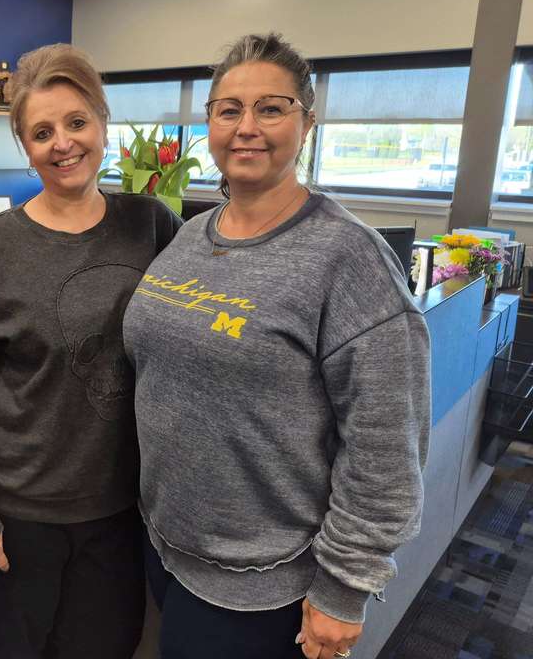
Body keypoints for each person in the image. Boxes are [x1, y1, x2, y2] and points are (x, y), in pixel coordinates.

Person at [124, 32, 431, 659]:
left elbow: (385, 446)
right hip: (167, 542)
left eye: (272, 107)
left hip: (265, 579)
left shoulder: (348, 259)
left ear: (308, 122)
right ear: (208, 122)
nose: (247, 127)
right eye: (229, 109)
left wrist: (345, 587)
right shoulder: (187, 235)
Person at [0, 43, 183, 659]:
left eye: (76, 123)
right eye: (42, 132)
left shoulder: (150, 224)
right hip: (19, 513)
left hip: (123, 508)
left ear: (103, 124)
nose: (63, 143)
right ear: (24, 145)